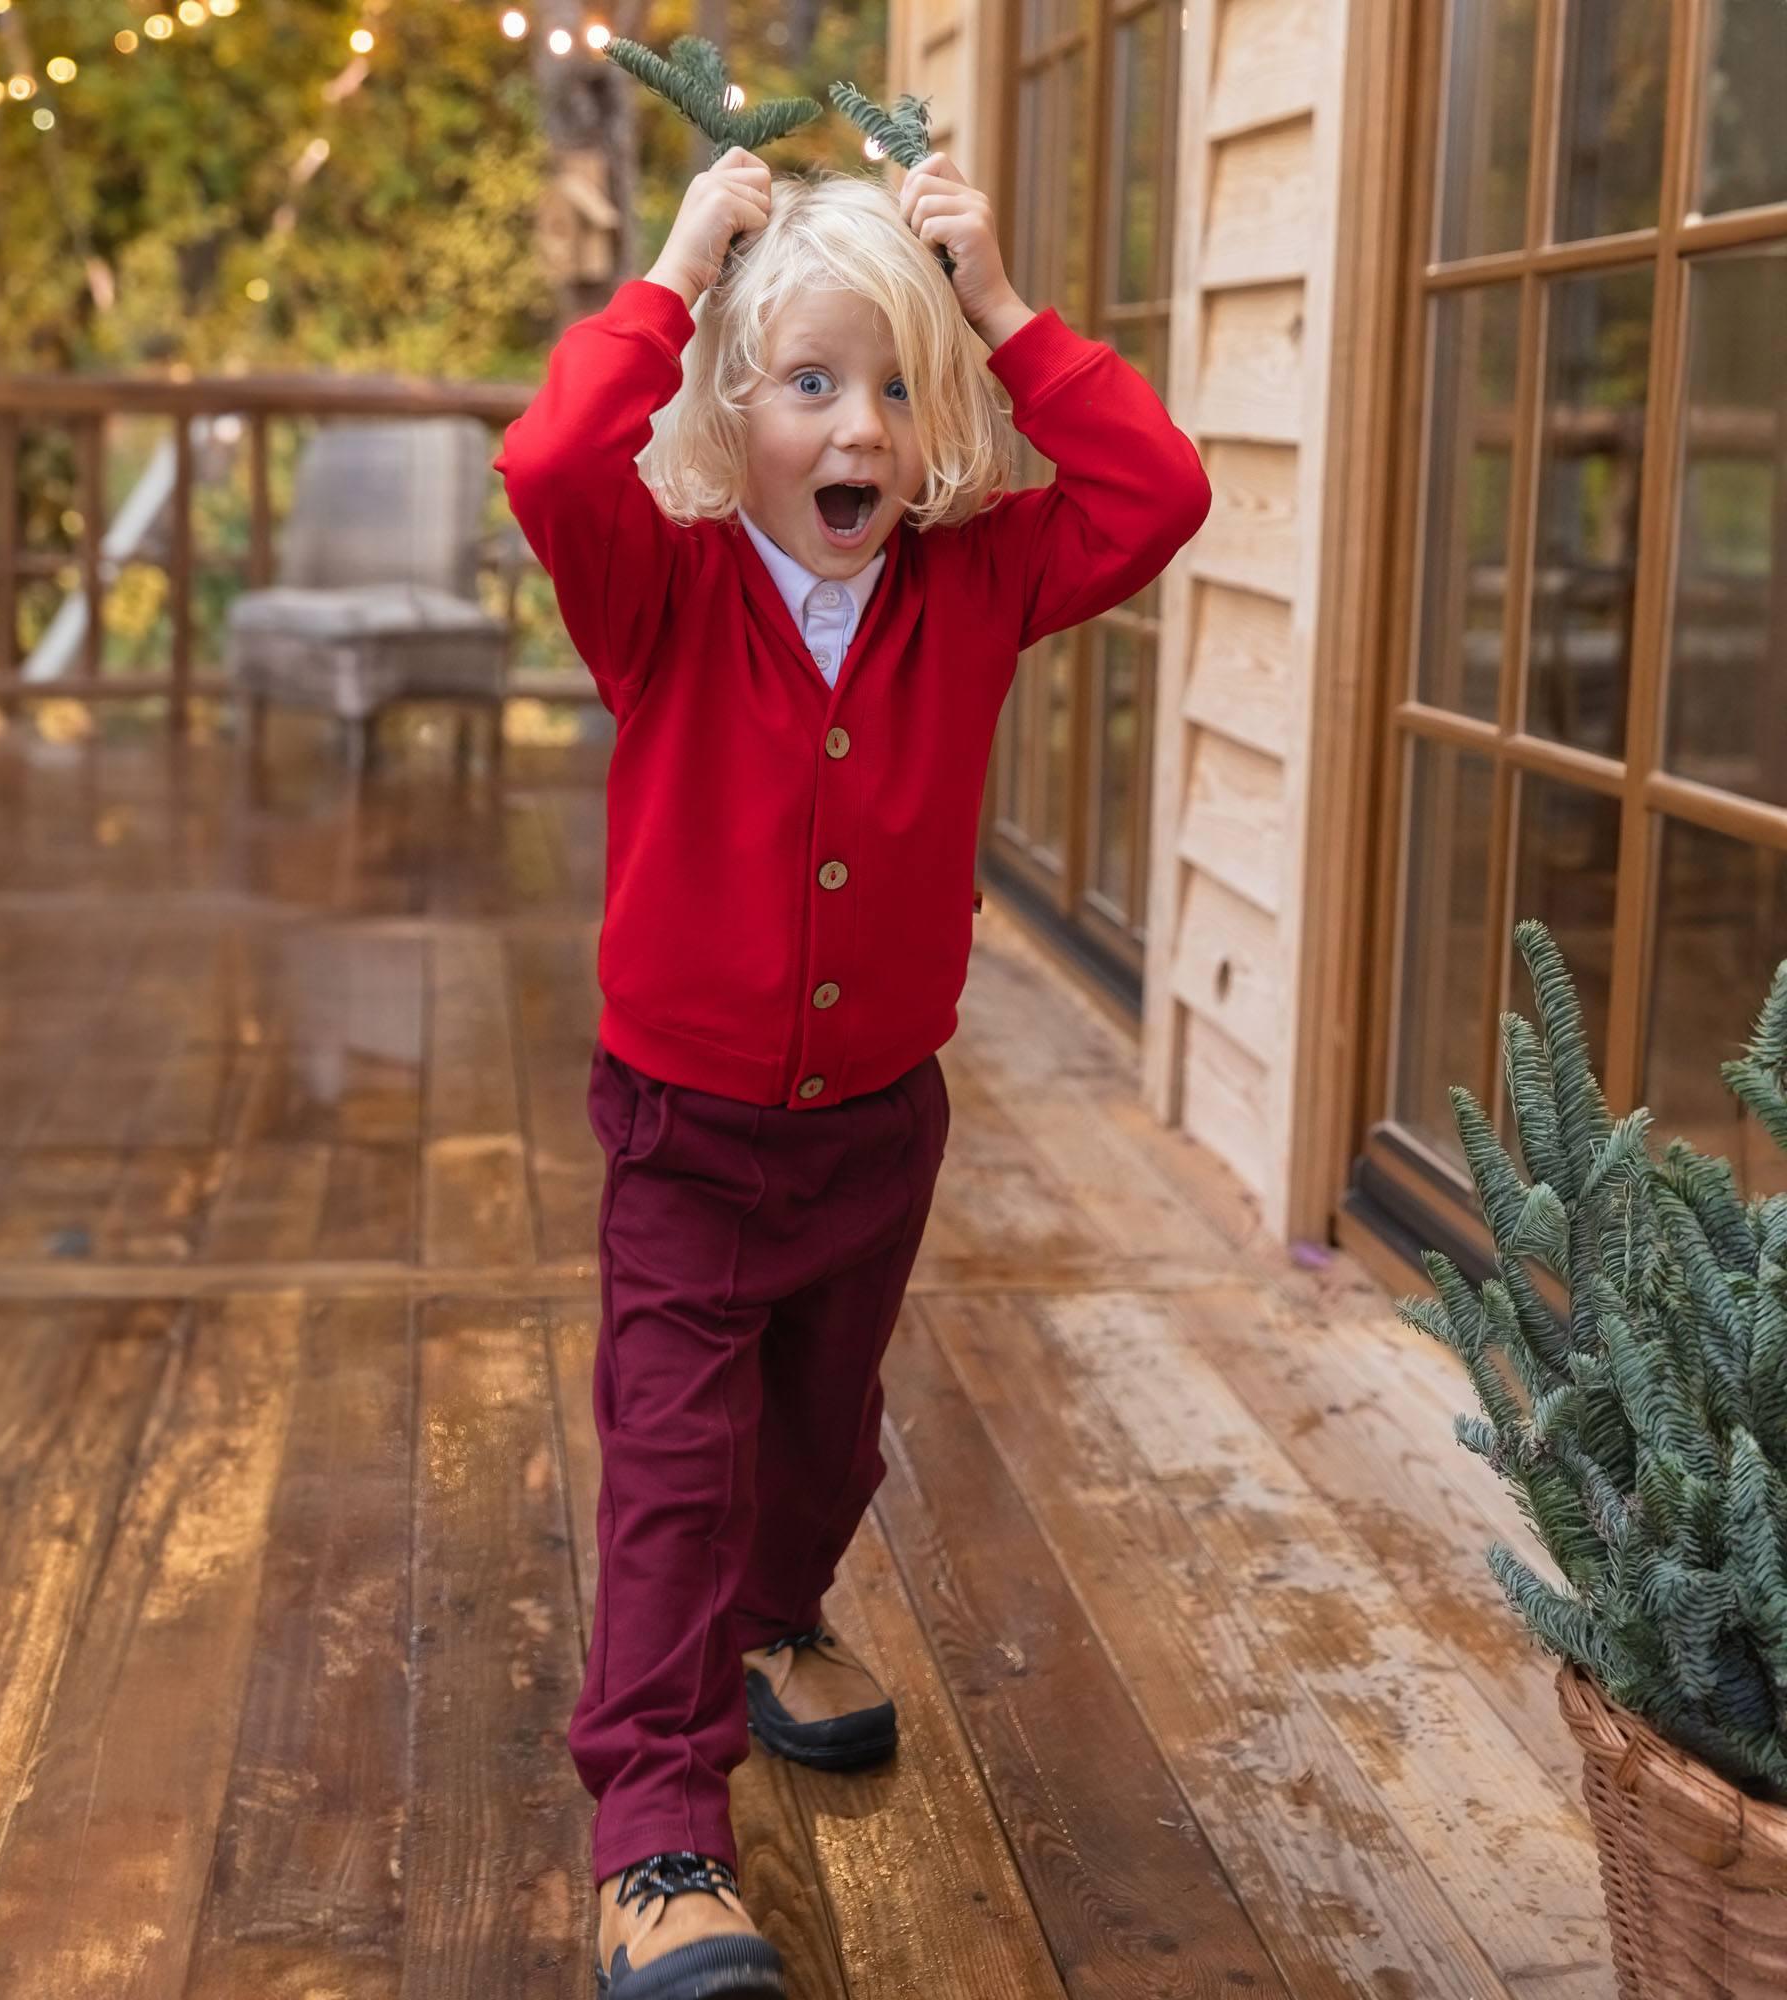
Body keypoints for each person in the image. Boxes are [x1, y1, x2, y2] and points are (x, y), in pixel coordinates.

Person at [495, 144, 1210, 1999]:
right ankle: (654, 1826)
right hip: (686, 1133)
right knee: (672, 1464)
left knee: (823, 1439)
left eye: (901, 389)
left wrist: (1003, 310)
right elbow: (551, 456)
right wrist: (673, 270)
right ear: (733, 413)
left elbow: (1158, 490)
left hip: (880, 1124)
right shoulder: (659, 592)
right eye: (812, 382)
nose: (862, 430)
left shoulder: (969, 594)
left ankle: (775, 1620)